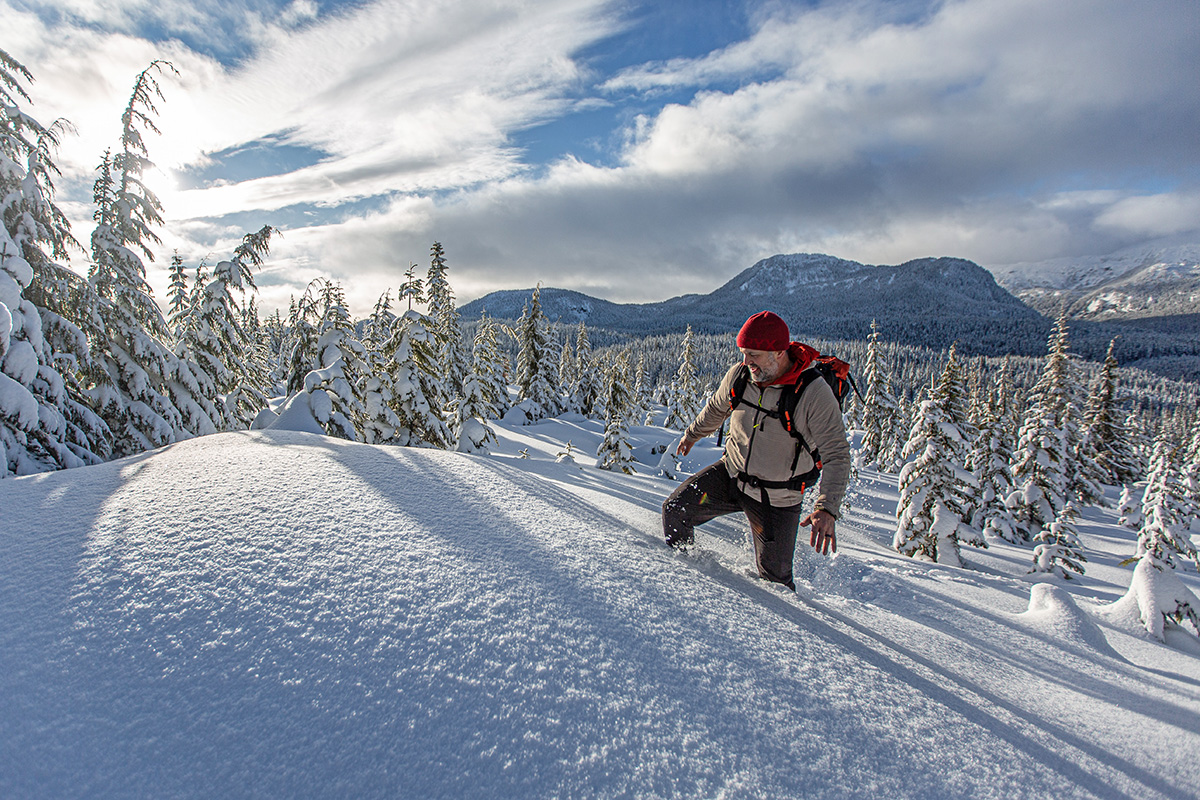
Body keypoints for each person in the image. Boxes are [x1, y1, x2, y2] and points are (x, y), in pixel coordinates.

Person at [662, 310, 851, 591]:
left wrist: (826, 508)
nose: (746, 361)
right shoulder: (740, 375)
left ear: (778, 352)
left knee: (776, 582)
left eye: (754, 355)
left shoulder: (813, 393)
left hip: (776, 498)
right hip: (731, 477)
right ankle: (685, 582)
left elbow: (836, 454)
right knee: (676, 511)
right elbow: (717, 408)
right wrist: (693, 434)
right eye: (744, 353)